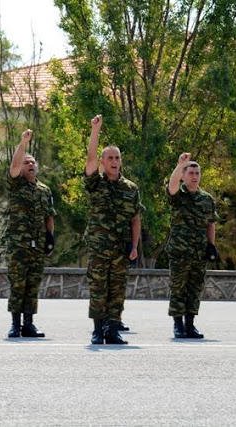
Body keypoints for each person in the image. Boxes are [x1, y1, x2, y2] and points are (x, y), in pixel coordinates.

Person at [84, 115, 144, 345]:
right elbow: (90, 157)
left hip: (121, 249)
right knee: (98, 289)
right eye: (109, 157)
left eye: (117, 157)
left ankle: (112, 329)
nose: (114, 161)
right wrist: (95, 130)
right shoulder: (96, 183)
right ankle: (98, 330)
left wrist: (134, 247)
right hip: (99, 249)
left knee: (117, 291)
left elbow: (135, 219)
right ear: (103, 162)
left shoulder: (131, 188)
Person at [6, 129, 56, 338]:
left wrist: (50, 238)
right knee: (18, 284)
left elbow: (49, 216)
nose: (31, 165)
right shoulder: (16, 185)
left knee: (33, 284)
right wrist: (23, 143)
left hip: (38, 244)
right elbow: (14, 166)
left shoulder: (44, 190)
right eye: (27, 162)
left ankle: (29, 324)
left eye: (33, 162)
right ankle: (15, 324)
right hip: (19, 246)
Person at [166, 153, 218, 339]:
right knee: (178, 287)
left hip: (199, 251)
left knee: (195, 288)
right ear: (184, 175)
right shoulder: (178, 195)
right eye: (191, 173)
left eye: (197, 173)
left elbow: (211, 223)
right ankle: (178, 325)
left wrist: (211, 245)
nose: (195, 176)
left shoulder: (207, 199)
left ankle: (190, 324)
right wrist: (180, 164)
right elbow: (172, 185)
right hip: (180, 251)